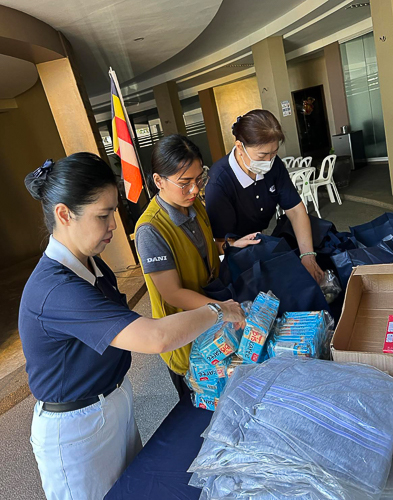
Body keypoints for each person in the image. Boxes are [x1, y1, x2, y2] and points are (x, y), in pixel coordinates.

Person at [19, 153, 244, 500]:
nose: (114, 226)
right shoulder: (56, 289)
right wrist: (218, 311)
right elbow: (155, 338)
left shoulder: (91, 265)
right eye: (103, 215)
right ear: (64, 214)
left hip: (112, 402)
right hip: (76, 426)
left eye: (114, 213)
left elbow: (135, 326)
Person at [135, 135, 259, 397]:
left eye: (198, 179)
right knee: (198, 406)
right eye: (184, 183)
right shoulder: (151, 229)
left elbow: (198, 245)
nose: (194, 189)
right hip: (187, 333)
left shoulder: (192, 204)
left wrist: (228, 246)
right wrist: (221, 309)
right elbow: (172, 293)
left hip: (213, 316)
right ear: (158, 181)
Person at [204, 109, 324, 284]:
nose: (268, 161)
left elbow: (296, 211)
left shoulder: (275, 166)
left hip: (259, 241)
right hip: (234, 252)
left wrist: (308, 255)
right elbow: (222, 242)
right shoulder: (219, 181)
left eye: (274, 153)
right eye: (262, 155)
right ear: (240, 147)